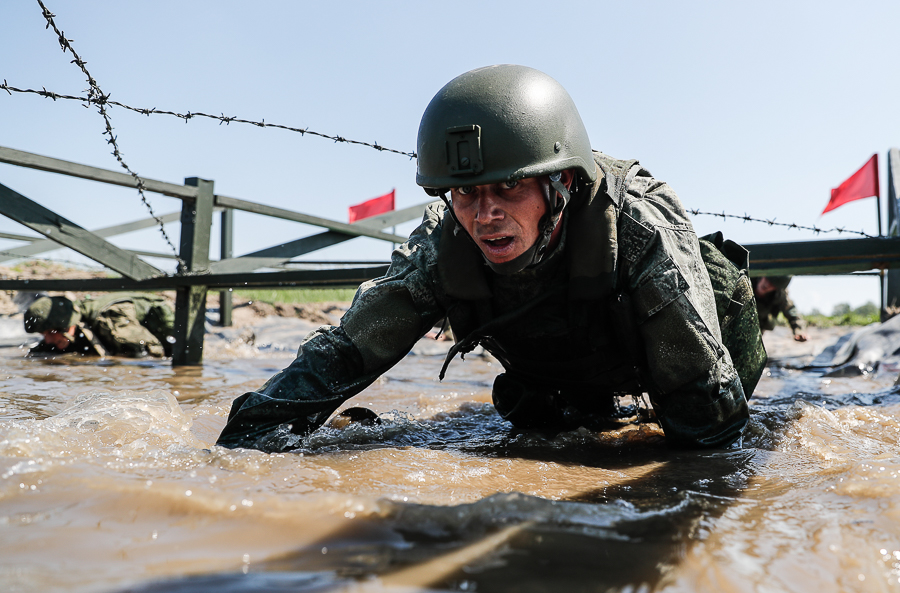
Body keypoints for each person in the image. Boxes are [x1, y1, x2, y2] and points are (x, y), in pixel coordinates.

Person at [217, 64, 765, 452]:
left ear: (562, 183)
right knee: (541, 423)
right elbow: (346, 353)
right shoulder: (443, 242)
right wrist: (244, 446)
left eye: (507, 187)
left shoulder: (637, 229)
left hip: (660, 352)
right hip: (563, 363)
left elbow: (709, 419)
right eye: (466, 194)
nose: (485, 215)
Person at [24, 292, 175, 357]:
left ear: (67, 327)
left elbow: (150, 352)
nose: (48, 340)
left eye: (50, 333)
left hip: (169, 327)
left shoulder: (110, 321)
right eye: (44, 335)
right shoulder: (73, 324)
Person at [752, 275, 808, 342]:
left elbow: (792, 311)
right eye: (767, 280)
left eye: (772, 284)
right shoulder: (747, 278)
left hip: (755, 327)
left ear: (777, 288)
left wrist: (799, 330)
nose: (766, 285)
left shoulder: (780, 295)